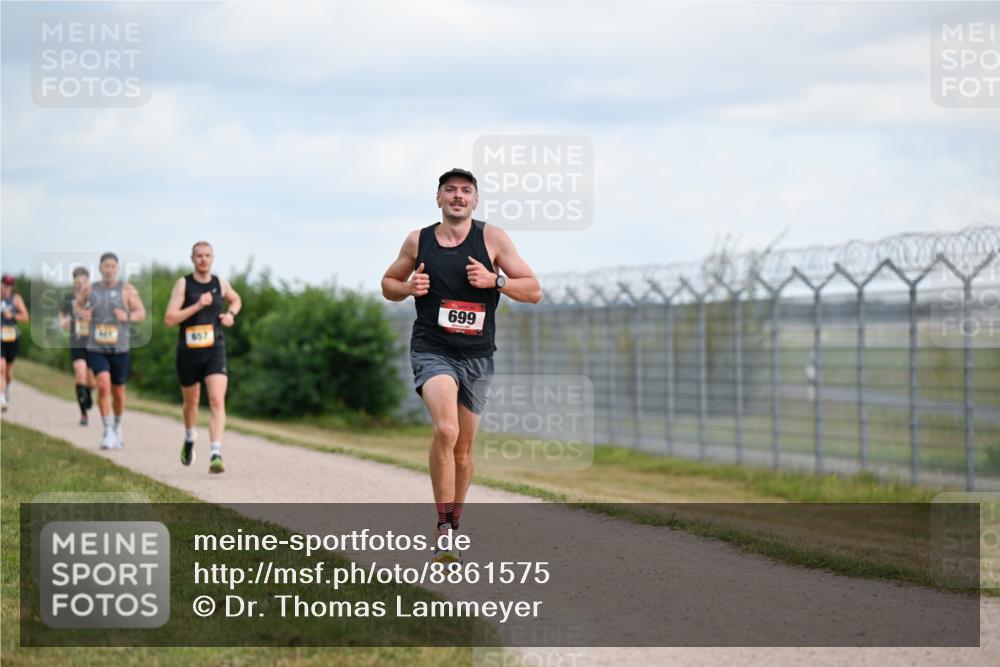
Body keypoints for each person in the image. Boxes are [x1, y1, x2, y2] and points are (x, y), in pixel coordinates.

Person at [381, 168, 541, 563]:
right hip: (432, 349)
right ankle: (443, 529)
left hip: (477, 356)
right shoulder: (418, 240)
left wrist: (495, 281)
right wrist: (407, 288)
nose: (458, 196)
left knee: (464, 452)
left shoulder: (493, 239)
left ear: (475, 200)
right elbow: (387, 284)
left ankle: (454, 521)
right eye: (450, 190)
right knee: (446, 429)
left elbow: (533, 290)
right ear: (438, 198)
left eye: (465, 191)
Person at [164, 241, 241, 474]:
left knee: (217, 400)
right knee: (191, 402)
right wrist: (197, 305)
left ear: (212, 258)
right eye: (199, 256)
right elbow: (169, 319)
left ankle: (215, 453)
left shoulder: (220, 283)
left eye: (207, 255)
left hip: (214, 348)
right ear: (192, 259)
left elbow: (236, 299)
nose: (203, 259)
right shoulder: (184, 284)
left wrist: (230, 315)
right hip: (188, 351)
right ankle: (190, 437)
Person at [78, 253, 146, 449]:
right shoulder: (90, 289)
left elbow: (141, 312)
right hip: (96, 347)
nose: (109, 269)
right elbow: (78, 306)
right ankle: (107, 430)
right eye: (106, 266)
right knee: (103, 385)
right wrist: (83, 313)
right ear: (100, 268)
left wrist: (127, 317)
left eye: (112, 266)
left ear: (117, 269)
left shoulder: (127, 289)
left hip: (120, 348)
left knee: (119, 392)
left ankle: (117, 426)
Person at [59, 267, 96, 425]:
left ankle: (88, 393)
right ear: (74, 282)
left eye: (83, 281)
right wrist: (63, 321)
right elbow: (62, 313)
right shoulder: (69, 298)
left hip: (94, 342)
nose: (80, 284)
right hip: (77, 340)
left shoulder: (94, 297)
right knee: (80, 373)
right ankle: (83, 414)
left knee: (92, 381)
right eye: (78, 281)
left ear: (88, 281)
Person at [1, 274, 30, 412]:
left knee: (7, 370)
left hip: (11, 338)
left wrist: (12, 315)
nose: (6, 288)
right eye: (4, 285)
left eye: (9, 285)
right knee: (0, 367)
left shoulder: (16, 299)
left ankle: (7, 387)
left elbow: (26, 317)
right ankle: (1, 398)